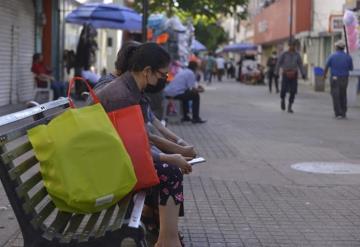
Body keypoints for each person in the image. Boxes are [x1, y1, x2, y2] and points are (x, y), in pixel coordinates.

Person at [93, 42, 191, 247]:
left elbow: (137, 142)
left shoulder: (130, 88)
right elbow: (133, 149)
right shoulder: (123, 96)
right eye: (163, 75)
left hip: (111, 158)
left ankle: (163, 234)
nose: (163, 80)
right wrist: (169, 156)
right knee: (170, 171)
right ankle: (167, 240)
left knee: (169, 168)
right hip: (104, 167)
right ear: (147, 71)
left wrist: (173, 151)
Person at [323, 40, 353, 119]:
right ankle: (343, 112)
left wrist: (324, 75)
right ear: (343, 48)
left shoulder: (332, 56)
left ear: (336, 47)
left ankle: (338, 113)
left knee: (335, 95)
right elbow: (351, 68)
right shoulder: (348, 57)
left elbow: (326, 66)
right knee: (343, 94)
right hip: (344, 78)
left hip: (335, 78)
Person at [275, 40, 306, 113]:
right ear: (289, 46)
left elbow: (300, 65)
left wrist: (303, 73)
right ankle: (282, 100)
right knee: (283, 90)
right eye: (291, 45)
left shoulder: (297, 55)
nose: (293, 47)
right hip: (285, 74)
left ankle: (290, 106)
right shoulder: (284, 54)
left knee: (293, 91)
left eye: (294, 45)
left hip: (294, 74)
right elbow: (279, 63)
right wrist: (276, 72)